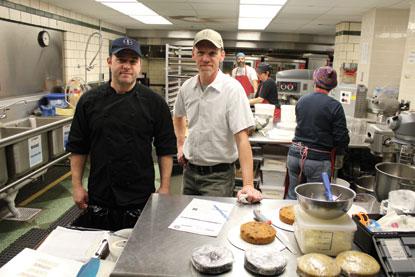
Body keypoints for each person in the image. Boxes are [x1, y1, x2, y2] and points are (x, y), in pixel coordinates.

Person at [66, 37, 177, 231]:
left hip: (140, 196)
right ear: (110, 62)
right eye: (121, 60)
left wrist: (165, 186)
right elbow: (78, 147)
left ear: (139, 65)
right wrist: (76, 186)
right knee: (100, 253)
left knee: (138, 254)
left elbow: (165, 148)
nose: (127, 66)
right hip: (101, 194)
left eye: (132, 61)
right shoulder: (89, 101)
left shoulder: (154, 103)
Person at [173, 29, 262, 203]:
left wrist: (248, 184)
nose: (205, 59)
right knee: (188, 226)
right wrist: (181, 144)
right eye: (201, 53)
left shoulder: (232, 90)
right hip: (189, 173)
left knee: (212, 228)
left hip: (218, 178)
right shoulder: (187, 88)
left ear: (222, 55)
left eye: (212, 53)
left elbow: (242, 139)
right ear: (193, 55)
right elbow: (178, 116)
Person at [286, 66, 349, 200]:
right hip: (317, 161)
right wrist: (340, 153)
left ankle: (288, 219)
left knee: (292, 197)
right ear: (332, 86)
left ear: (315, 81)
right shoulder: (335, 106)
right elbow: (341, 138)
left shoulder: (302, 100)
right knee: (316, 200)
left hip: (295, 155)